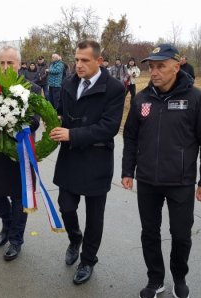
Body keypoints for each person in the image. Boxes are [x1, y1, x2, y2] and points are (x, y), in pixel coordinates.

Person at [121, 44, 201, 298]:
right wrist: (127, 170)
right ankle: (155, 279)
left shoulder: (196, 99)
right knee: (150, 233)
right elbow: (130, 137)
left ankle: (179, 278)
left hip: (181, 183)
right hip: (148, 181)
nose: (154, 71)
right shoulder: (142, 99)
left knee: (181, 234)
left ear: (177, 66)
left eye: (160, 66)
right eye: (151, 66)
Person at [50, 40, 125, 285]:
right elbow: (62, 110)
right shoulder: (70, 83)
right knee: (66, 206)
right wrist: (56, 119)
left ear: (99, 61)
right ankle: (74, 238)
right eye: (77, 60)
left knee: (95, 217)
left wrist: (72, 134)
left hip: (96, 159)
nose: (79, 65)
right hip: (70, 158)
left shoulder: (114, 88)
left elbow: (109, 127)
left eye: (85, 60)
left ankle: (88, 260)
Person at [0, 46, 41, 262]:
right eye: (2, 63)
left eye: (10, 63)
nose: (6, 67)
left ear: (19, 64)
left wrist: (11, 120)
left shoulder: (32, 89)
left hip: (20, 151)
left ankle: (16, 240)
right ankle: (6, 224)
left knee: (19, 197)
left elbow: (35, 120)